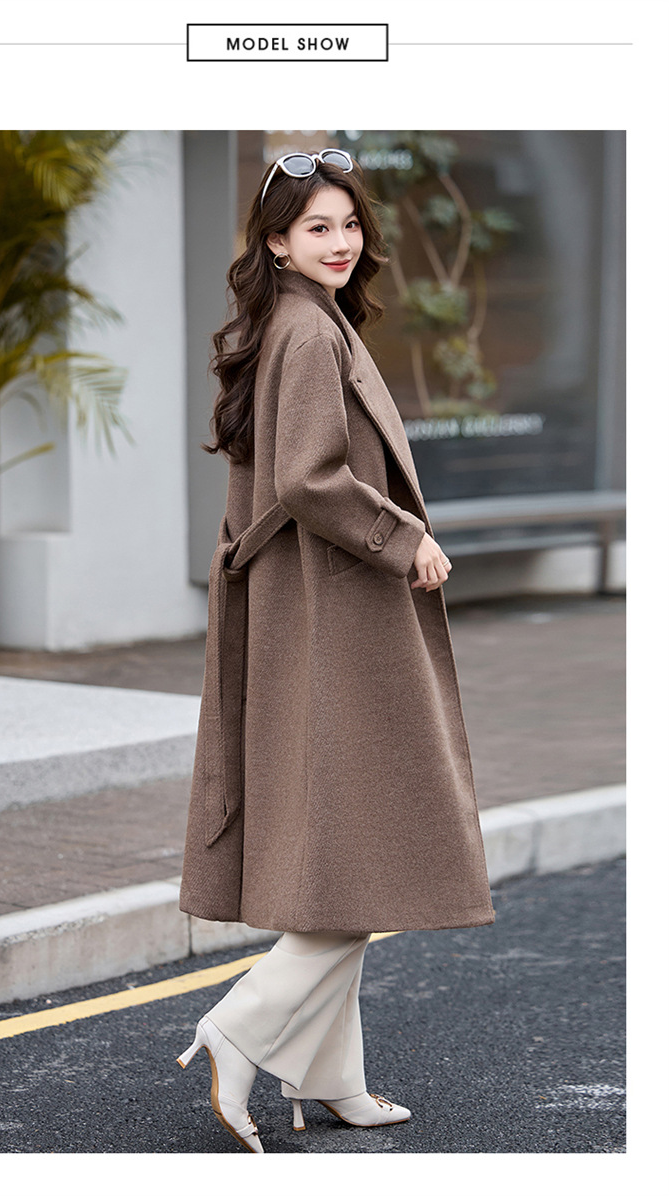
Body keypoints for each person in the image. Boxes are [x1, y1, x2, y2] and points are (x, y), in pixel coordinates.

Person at [177, 148, 495, 1153]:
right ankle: (240, 1029)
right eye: (318, 227)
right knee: (368, 839)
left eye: (349, 224)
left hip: (310, 607)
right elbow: (311, 477)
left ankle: (329, 1076)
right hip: (332, 609)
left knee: (344, 852)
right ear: (277, 241)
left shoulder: (298, 320)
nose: (341, 240)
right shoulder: (309, 331)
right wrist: (407, 537)